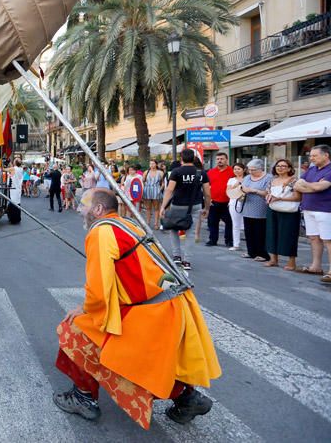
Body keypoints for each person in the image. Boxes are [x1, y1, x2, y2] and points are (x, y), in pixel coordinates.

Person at [52, 189, 220, 429]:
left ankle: (83, 397)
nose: (79, 209)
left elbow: (98, 292)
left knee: (76, 330)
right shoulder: (128, 224)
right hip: (168, 303)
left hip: (150, 311)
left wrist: (85, 309)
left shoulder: (101, 232)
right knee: (144, 362)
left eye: (83, 205)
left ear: (98, 209)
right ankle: (188, 398)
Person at [159, 149, 210, 270]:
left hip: (178, 205)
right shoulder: (201, 173)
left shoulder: (176, 171)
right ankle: (187, 261)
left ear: (181, 158)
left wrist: (163, 206)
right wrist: (207, 207)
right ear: (193, 158)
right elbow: (207, 193)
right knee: (190, 234)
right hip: (195, 205)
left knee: (173, 229)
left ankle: (176, 256)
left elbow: (170, 190)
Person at [294, 144, 331, 280]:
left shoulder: (330, 170)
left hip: (325, 210)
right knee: (314, 238)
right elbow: (297, 184)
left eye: (315, 155)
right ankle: (316, 267)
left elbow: (322, 186)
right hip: (309, 208)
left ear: (326, 155)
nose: (311, 158)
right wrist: (311, 186)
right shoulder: (312, 169)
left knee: (328, 240)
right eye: (310, 156)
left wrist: (307, 185)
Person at [264, 159, 302, 270]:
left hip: (289, 211)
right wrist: (268, 197)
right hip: (273, 209)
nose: (280, 168)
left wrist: (280, 198)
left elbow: (298, 197)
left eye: (284, 166)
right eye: (278, 166)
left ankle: (291, 262)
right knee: (272, 234)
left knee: (289, 235)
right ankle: (273, 259)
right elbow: (267, 193)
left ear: (290, 168)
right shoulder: (272, 180)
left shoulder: (295, 181)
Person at [240, 159, 272, 262]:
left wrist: (254, 190)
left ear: (260, 168)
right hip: (248, 207)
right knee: (249, 231)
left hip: (261, 208)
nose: (250, 172)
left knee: (260, 232)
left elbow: (268, 192)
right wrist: (243, 189)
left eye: (253, 170)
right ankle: (251, 252)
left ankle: (262, 253)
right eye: (249, 169)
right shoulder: (247, 177)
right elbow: (243, 187)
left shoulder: (268, 178)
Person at [205, 153, 234, 247]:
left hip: (228, 202)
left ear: (227, 160)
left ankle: (229, 241)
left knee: (229, 222)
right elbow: (207, 186)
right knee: (213, 222)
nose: (219, 161)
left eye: (222, 159)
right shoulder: (211, 172)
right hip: (214, 201)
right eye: (218, 159)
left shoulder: (232, 172)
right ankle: (212, 240)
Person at [226, 163, 247, 251]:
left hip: (247, 203)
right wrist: (237, 184)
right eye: (235, 169)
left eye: (239, 169)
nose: (236, 171)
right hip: (234, 203)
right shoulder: (231, 180)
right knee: (235, 224)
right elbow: (228, 191)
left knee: (248, 224)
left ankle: (251, 245)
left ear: (244, 170)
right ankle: (236, 244)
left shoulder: (248, 179)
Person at [142, 160, 164, 229]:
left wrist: (160, 189)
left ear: (156, 164)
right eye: (150, 163)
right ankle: (147, 223)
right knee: (148, 208)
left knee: (156, 208)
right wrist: (144, 189)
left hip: (156, 190)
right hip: (147, 190)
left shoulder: (160, 172)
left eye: (153, 163)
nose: (151, 165)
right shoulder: (146, 172)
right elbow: (142, 181)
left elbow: (163, 183)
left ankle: (156, 224)